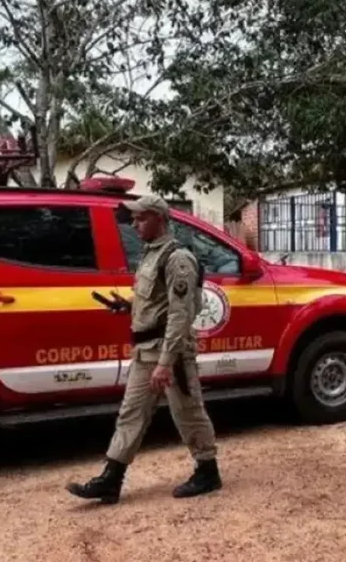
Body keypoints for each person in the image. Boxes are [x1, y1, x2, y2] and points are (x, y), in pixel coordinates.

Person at [66, 195, 221, 504]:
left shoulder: (178, 259)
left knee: (187, 413)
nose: (134, 225)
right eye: (134, 219)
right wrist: (128, 305)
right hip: (145, 350)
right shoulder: (150, 255)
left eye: (140, 218)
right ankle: (111, 479)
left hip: (171, 352)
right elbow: (155, 300)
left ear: (158, 219)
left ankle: (207, 471)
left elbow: (180, 315)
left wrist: (165, 363)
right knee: (131, 413)